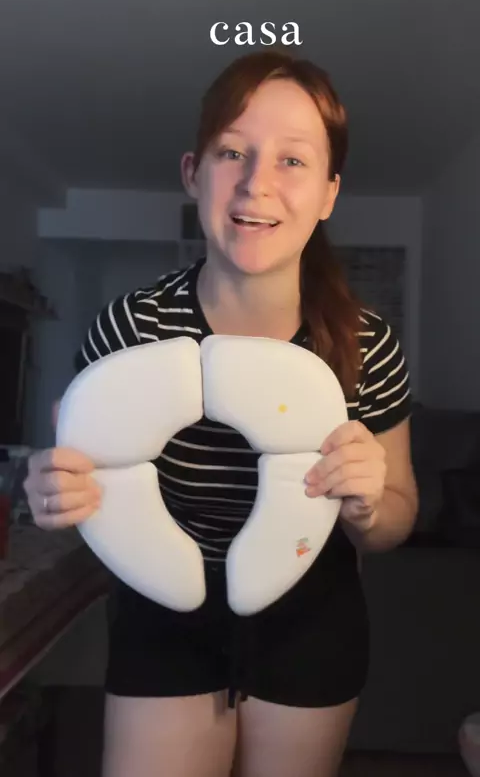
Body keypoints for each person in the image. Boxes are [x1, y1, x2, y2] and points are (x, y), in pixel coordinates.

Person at [24, 49, 418, 777]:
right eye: (232, 152)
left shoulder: (367, 346)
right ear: (193, 174)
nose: (256, 182)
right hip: (162, 611)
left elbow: (397, 520)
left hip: (311, 613)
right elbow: (91, 485)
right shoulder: (131, 329)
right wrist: (58, 492)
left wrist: (369, 503)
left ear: (329, 193)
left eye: (292, 160)